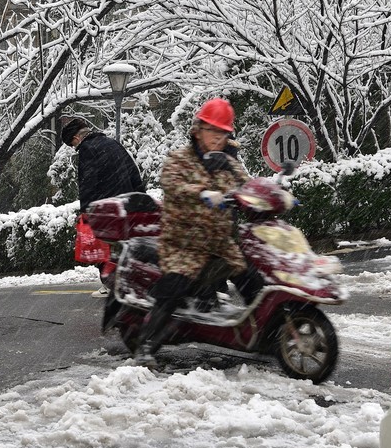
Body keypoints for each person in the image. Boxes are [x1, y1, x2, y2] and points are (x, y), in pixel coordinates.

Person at [135, 98, 264, 363]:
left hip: (221, 241)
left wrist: (270, 197)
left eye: (223, 133)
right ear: (197, 129)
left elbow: (247, 187)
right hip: (185, 242)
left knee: (252, 277)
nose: (218, 138)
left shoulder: (228, 162)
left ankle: (267, 330)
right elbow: (172, 186)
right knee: (177, 282)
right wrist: (202, 192)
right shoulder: (179, 160)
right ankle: (147, 343)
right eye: (213, 131)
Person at [61, 116, 144, 294]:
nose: (75, 149)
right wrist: (140, 196)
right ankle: (130, 281)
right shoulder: (111, 143)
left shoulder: (87, 149)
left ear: (76, 139)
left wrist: (85, 212)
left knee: (104, 247)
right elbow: (132, 170)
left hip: (107, 207)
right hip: (127, 202)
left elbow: (88, 183)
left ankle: (110, 284)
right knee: (125, 244)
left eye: (73, 146)